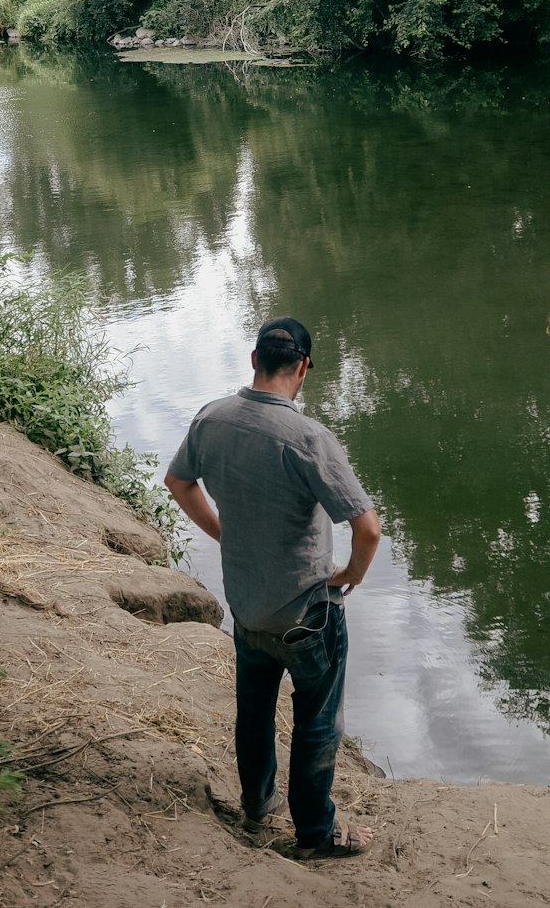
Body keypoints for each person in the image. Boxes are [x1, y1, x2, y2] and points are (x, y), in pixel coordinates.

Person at [164, 317, 381, 859]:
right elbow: (367, 528)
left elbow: (178, 483)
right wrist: (352, 574)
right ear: (303, 366)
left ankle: (258, 804)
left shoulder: (211, 419)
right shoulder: (308, 438)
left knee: (255, 711)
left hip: (248, 608)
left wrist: (223, 532)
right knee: (317, 720)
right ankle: (315, 833)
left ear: (253, 359)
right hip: (306, 613)